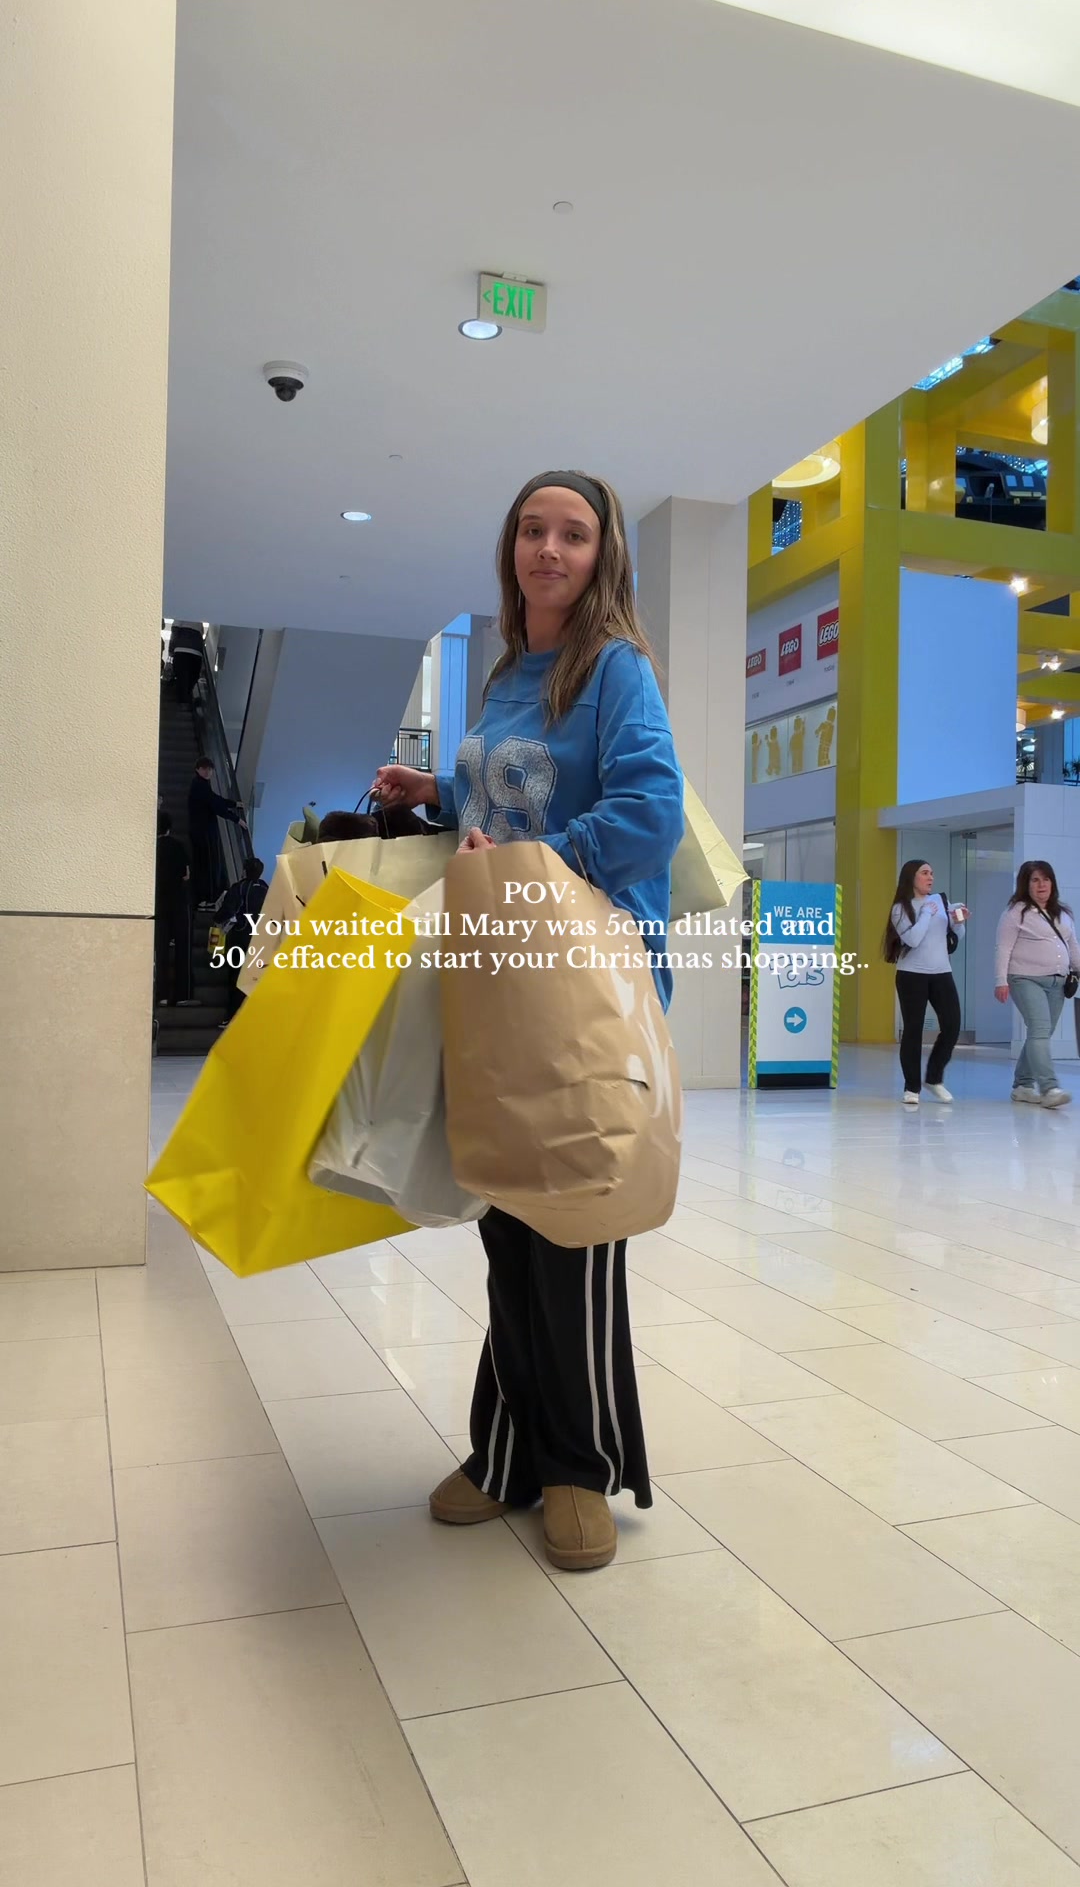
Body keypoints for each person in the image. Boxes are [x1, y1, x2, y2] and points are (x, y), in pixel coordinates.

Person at [374, 470, 683, 1573]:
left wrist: (532, 863)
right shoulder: (507, 671)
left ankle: (579, 1469)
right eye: (533, 531)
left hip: (582, 980)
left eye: (574, 534)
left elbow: (647, 810)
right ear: (511, 548)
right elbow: (507, 800)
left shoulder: (615, 668)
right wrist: (434, 793)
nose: (550, 549)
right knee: (506, 1211)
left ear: (603, 557)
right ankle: (507, 1451)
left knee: (575, 1225)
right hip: (500, 972)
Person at [995, 860, 1080, 1108]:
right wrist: (1000, 980)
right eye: (1035, 880)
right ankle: (1049, 1088)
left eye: (1046, 879)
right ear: (1026, 884)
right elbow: (1003, 948)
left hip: (1058, 981)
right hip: (1025, 978)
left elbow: (1073, 946)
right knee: (1040, 1030)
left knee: (1040, 1033)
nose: (1042, 885)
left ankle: (1022, 1085)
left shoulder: (1063, 913)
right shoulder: (1016, 912)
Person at [883, 860, 967, 1106]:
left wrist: (958, 922)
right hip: (911, 975)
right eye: (925, 873)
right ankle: (912, 1087)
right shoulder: (900, 908)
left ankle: (934, 1077)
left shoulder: (940, 902)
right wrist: (927, 914)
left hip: (942, 972)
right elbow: (914, 939)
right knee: (913, 1030)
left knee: (952, 1026)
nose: (930, 877)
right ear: (912, 877)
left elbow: (955, 936)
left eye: (932, 873)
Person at [214, 857, 268, 1028]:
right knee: (256, 978)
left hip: (240, 937)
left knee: (236, 977)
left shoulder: (239, 888)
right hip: (261, 939)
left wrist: (216, 918)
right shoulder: (266, 888)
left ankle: (233, 1016)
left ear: (244, 871)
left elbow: (228, 910)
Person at [154, 812, 195, 1006]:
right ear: (169, 828)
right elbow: (186, 875)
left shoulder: (151, 848)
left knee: (160, 949)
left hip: (157, 903)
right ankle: (182, 994)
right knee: (182, 947)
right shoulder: (178, 846)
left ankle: (160, 994)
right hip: (178, 901)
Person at [188, 757, 240, 907]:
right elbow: (215, 805)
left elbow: (215, 800)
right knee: (207, 864)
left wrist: (233, 804)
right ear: (197, 769)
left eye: (210, 769)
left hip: (200, 830)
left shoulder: (200, 784)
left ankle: (205, 898)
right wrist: (236, 819)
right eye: (204, 769)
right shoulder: (200, 786)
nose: (208, 772)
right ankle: (205, 898)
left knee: (204, 863)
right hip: (203, 832)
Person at [170, 621, 204, 705]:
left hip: (181, 650)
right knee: (192, 677)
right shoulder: (200, 620)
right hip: (197, 652)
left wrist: (171, 649)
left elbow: (174, 631)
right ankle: (187, 699)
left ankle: (183, 699)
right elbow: (201, 634)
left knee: (181, 676)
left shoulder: (182, 616)